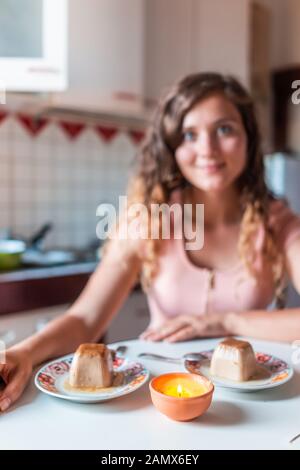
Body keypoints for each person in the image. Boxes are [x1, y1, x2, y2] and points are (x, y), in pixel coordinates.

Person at [1, 72, 300, 412]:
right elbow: (85, 319)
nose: (207, 149)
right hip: (158, 403)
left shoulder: (277, 222)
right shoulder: (149, 219)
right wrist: (23, 352)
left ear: (248, 137)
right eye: (189, 135)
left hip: (254, 406)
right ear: (172, 148)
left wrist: (227, 322)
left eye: (225, 129)